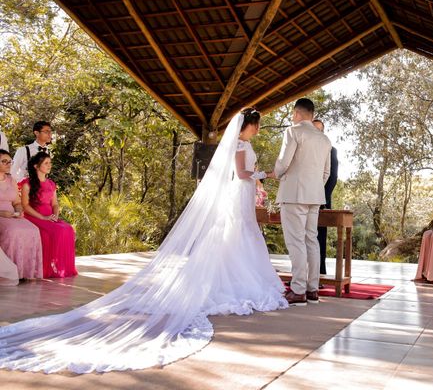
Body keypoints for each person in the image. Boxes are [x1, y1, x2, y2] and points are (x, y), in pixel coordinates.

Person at [0, 109, 288, 374]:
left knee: (242, 236)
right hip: (238, 196)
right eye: (257, 126)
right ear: (247, 125)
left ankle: (237, 277)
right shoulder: (240, 146)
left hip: (243, 196)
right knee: (238, 235)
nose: (258, 130)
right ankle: (235, 282)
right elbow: (240, 175)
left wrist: (259, 182)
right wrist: (266, 174)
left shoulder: (245, 146)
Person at [274, 98, 332, 306]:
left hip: (293, 193)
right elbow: (326, 173)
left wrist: (277, 173)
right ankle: (312, 289)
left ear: (297, 113)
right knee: (311, 240)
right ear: (312, 113)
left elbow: (283, 162)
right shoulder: (325, 139)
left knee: (295, 241)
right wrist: (315, 185)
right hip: (315, 195)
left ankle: (298, 290)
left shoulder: (293, 131)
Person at [19, 152, 77, 278]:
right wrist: (43, 218)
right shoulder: (26, 184)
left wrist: (55, 215)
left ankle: (61, 268)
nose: (49, 165)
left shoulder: (51, 184)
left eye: (50, 163)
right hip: (34, 216)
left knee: (68, 229)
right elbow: (25, 206)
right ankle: (45, 269)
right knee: (54, 232)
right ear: (36, 166)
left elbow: (55, 204)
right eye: (46, 163)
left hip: (50, 216)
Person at [0, 149, 43, 280]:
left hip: (12, 215)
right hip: (1, 215)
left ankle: (26, 272)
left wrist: (19, 211)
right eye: (4, 161)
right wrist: (2, 213)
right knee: (13, 231)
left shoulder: (11, 179)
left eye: (10, 161)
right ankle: (11, 273)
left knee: (33, 230)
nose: (8, 164)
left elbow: (17, 202)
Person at [312, 118, 338, 276]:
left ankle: (320, 274)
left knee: (319, 238)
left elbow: (332, 178)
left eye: (319, 130)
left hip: (322, 201)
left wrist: (321, 199)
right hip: (303, 200)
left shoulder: (331, 150)